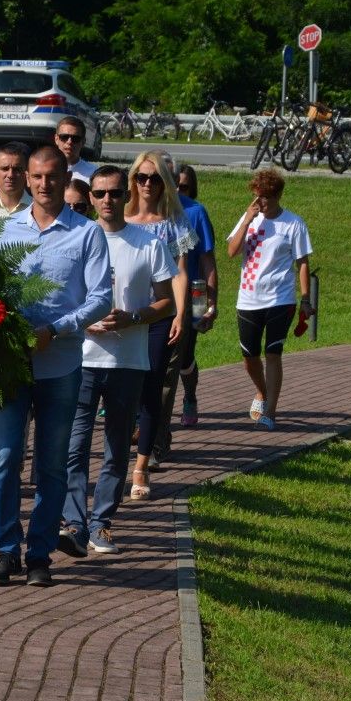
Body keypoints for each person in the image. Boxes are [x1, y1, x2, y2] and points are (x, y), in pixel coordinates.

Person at [0, 145, 111, 587]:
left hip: (61, 365)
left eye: (51, 176)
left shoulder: (87, 233)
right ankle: (6, 550)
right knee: (4, 457)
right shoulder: (4, 231)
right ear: (26, 178)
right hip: (11, 365)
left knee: (53, 465)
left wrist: (56, 329)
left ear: (65, 179)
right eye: (35, 176)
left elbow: (101, 298)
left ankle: (39, 554)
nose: (43, 184)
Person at [59, 166, 177, 557]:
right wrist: (83, 321)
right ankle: (74, 523)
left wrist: (134, 317)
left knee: (116, 446)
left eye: (114, 192)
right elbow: (60, 297)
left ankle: (102, 523)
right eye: (99, 193)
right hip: (81, 358)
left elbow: (167, 302)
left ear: (127, 195)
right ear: (89, 197)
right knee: (75, 445)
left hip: (128, 360)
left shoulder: (148, 243)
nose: (107, 200)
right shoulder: (76, 239)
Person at [123, 151, 192, 500]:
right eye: (142, 177)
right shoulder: (119, 216)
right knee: (123, 389)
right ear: (133, 180)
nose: (147, 184)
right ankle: (119, 455)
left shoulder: (173, 221)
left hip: (159, 315)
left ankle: (141, 466)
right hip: (122, 316)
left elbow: (180, 272)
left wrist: (180, 314)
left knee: (151, 388)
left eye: (155, 178)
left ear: (165, 183)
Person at [226, 168, 314, 430]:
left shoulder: (293, 223)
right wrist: (246, 221)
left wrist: (305, 299)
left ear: (277, 196)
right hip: (248, 299)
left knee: (273, 353)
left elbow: (302, 263)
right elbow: (231, 251)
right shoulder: (250, 218)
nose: (259, 202)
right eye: (256, 196)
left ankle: (271, 413)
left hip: (280, 299)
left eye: (264, 197)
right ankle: (262, 392)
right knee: (249, 357)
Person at [175, 163, 218, 426]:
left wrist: (210, 304)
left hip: (192, 294)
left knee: (184, 356)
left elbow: (207, 261)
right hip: (156, 295)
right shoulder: (149, 209)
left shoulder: (196, 212)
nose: (177, 191)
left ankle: (189, 396)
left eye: (183, 187)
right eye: (173, 185)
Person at [53, 116, 97, 182]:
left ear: (83, 142)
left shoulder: (93, 173)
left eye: (75, 138)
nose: (69, 142)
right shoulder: (43, 168)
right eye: (64, 137)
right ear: (56, 139)